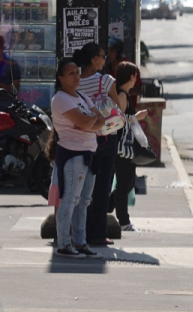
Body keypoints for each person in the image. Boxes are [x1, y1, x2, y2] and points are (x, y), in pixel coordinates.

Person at [50, 58, 104, 258]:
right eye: (71, 73)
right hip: (73, 154)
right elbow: (85, 121)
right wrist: (89, 122)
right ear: (61, 78)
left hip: (89, 153)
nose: (76, 77)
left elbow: (101, 119)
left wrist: (88, 123)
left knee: (84, 201)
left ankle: (80, 243)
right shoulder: (61, 98)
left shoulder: (81, 96)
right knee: (70, 199)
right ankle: (64, 244)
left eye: (78, 72)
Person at [73, 42, 121, 246]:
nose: (105, 59)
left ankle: (79, 232)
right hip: (104, 138)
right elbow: (117, 107)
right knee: (102, 187)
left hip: (82, 138)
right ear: (95, 59)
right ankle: (98, 234)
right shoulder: (106, 81)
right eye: (102, 56)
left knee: (82, 188)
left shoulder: (74, 82)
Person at [111, 61, 148, 232]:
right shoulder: (122, 95)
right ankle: (124, 221)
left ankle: (104, 208)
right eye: (135, 76)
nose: (136, 80)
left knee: (126, 184)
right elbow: (121, 120)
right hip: (121, 147)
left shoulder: (123, 93)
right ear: (130, 77)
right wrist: (137, 117)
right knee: (124, 185)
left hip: (124, 147)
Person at [107, 36, 142, 109]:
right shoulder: (106, 68)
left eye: (112, 51)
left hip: (128, 110)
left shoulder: (129, 68)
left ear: (118, 52)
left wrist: (120, 90)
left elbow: (137, 90)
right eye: (107, 51)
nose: (109, 54)